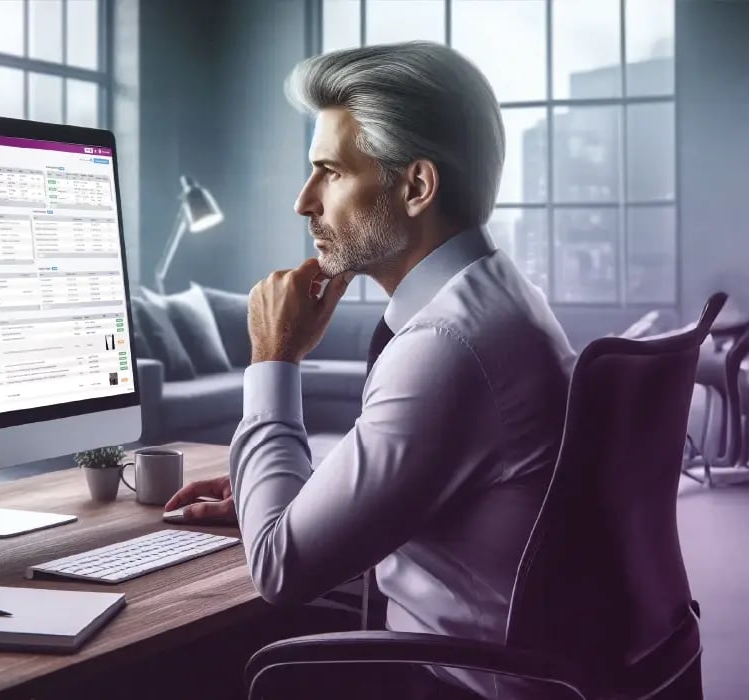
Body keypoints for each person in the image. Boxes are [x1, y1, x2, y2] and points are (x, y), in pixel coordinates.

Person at [164, 42, 576, 699]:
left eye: (329, 172)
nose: (304, 202)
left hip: (449, 680)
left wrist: (275, 355)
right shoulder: (500, 298)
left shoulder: (445, 346)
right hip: (491, 658)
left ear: (416, 186)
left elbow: (279, 568)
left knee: (175, 661)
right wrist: (296, 493)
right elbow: (427, 472)